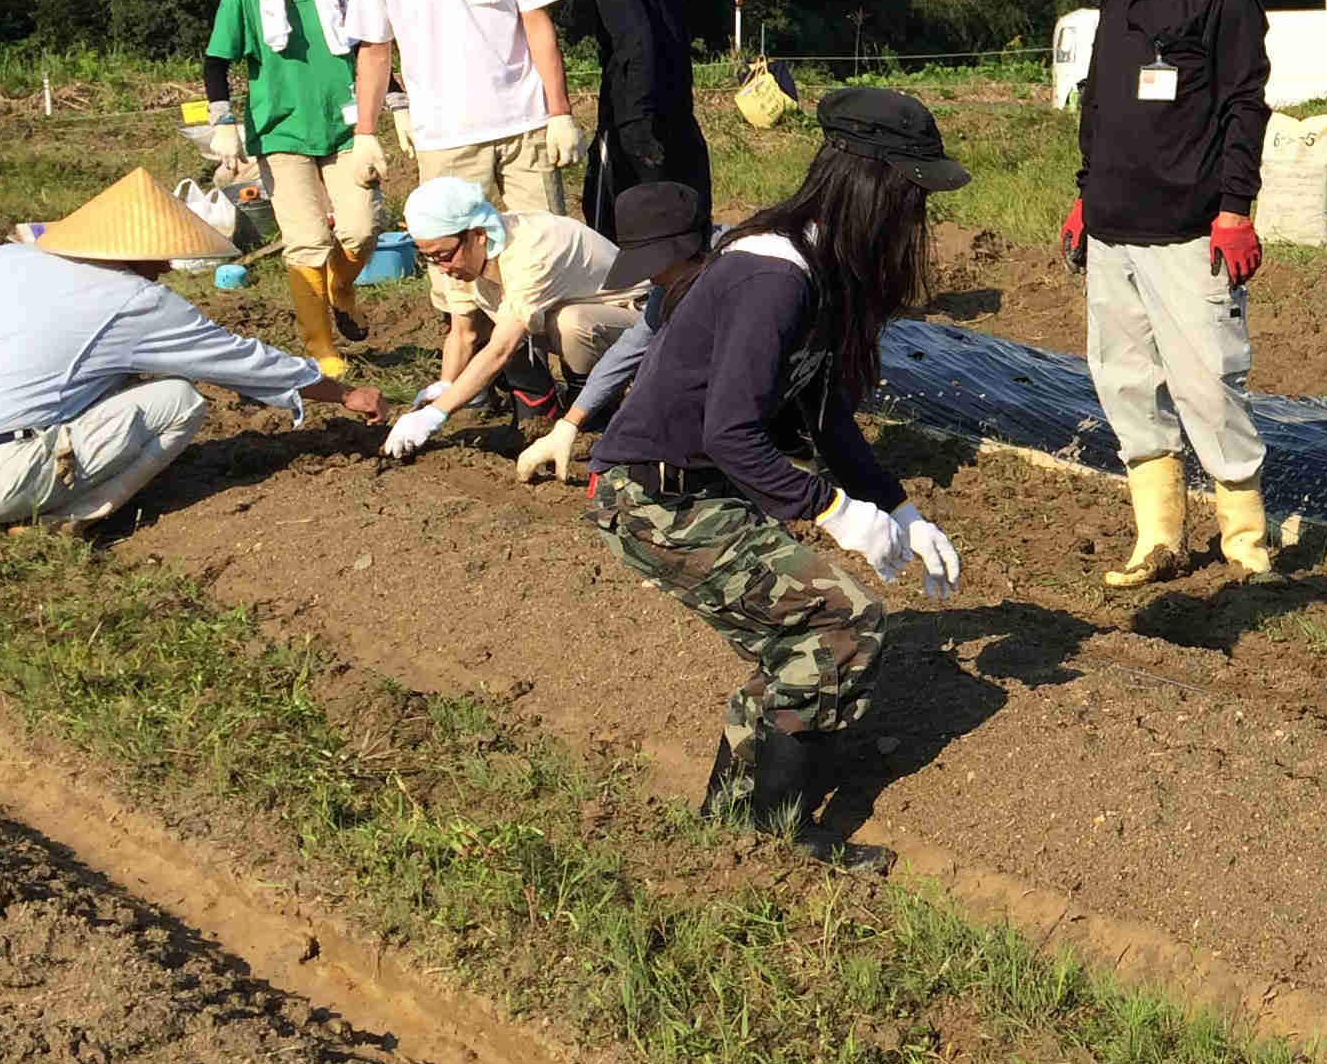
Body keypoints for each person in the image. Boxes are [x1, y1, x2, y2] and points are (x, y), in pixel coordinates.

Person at [586, 88, 967, 826]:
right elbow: (732, 431)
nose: (918, 216)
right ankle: (768, 831)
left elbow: (824, 419)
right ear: (871, 186)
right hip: (654, 498)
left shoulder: (816, 269)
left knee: (809, 634)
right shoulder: (773, 277)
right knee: (838, 624)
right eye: (912, 196)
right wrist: (832, 512)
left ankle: (736, 824)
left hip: (696, 491)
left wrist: (898, 508)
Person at [0, 168, 381, 531]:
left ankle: (32, 484)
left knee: (109, 378)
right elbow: (237, 360)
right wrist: (343, 395)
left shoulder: (1, 260)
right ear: (128, 250)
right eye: (161, 254)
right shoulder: (133, 302)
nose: (167, 267)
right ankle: (66, 521)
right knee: (178, 400)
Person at [1055, 0, 1274, 589]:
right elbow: (1101, 99)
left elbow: (1246, 105)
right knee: (1124, 380)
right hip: (1114, 224)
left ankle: (1245, 543)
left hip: (1188, 226)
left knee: (1209, 381)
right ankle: (1159, 537)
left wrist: (1235, 210)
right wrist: (1087, 196)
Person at [334, 0, 580, 342]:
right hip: (446, 137)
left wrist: (559, 114)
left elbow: (538, 27)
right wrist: (365, 132)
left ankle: (555, 371)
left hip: (524, 126)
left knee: (540, 255)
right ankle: (488, 376)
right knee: (458, 276)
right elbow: (375, 53)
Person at [202, 0, 375, 375]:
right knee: (307, 242)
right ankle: (322, 348)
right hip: (279, 131)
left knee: (363, 228)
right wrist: (222, 120)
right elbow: (217, 59)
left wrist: (396, 102)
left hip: (343, 126)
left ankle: (341, 288)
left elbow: (368, 50)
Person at [378, 178, 634, 460]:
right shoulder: (456, 258)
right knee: (505, 321)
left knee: (567, 322)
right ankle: (538, 412)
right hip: (561, 315)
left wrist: (436, 414)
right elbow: (464, 334)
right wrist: (445, 385)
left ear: (478, 234)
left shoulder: (533, 248)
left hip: (632, 320)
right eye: (430, 257)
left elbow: (501, 348)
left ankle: (592, 417)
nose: (441, 267)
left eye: (442, 255)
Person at [512, 180, 718, 484]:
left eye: (653, 262)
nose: (649, 274)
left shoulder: (742, 269)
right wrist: (569, 424)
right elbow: (632, 347)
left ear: (680, 251)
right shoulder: (673, 280)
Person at [542, 0, 713, 233]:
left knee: (620, 217)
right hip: (675, 105)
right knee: (679, 218)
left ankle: (637, 289)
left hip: (638, 109)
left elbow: (635, 39)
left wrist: (634, 121)